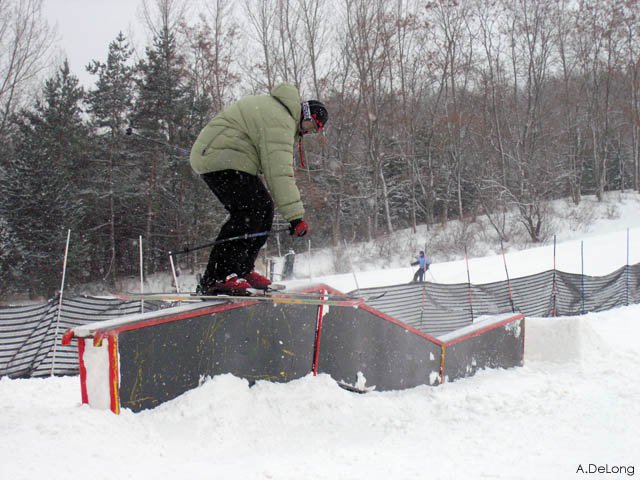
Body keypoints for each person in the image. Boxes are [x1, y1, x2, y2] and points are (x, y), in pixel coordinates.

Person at [190, 83, 328, 295]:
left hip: (228, 157)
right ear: (304, 114)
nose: (305, 131)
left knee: (263, 209)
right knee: (249, 210)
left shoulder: (281, 114)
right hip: (220, 157)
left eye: (312, 131)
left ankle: (241, 269)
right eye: (309, 125)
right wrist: (295, 217)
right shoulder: (281, 119)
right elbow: (279, 173)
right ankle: (217, 276)